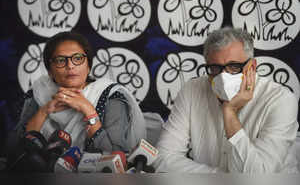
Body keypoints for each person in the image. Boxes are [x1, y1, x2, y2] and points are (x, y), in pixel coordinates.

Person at [153, 27, 299, 173]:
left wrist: (229, 113)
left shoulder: (280, 101)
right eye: (215, 68)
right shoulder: (192, 90)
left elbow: (258, 177)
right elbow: (163, 158)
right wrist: (223, 178)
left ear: (252, 67)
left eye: (234, 67)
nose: (223, 78)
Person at [13, 31, 146, 154]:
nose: (70, 66)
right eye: (60, 60)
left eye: (77, 58)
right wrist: (44, 111)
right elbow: (14, 151)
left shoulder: (109, 97)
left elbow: (116, 156)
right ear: (49, 71)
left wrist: (89, 111)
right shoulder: (39, 93)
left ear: (88, 66)